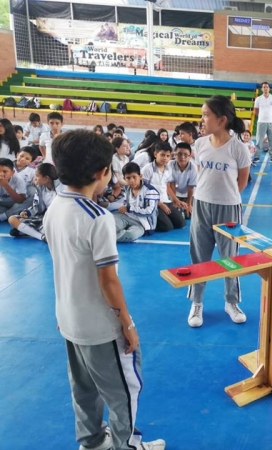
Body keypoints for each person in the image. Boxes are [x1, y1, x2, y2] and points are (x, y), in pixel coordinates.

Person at [42, 130, 165, 450]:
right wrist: (126, 323)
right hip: (100, 327)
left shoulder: (55, 206)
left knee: (83, 389)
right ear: (102, 173)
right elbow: (108, 280)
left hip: (68, 319)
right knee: (126, 391)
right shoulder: (97, 217)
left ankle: (92, 442)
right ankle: (126, 446)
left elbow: (63, 264)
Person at [187, 95, 251, 328]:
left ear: (222, 120)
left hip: (228, 209)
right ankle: (197, 303)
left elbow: (241, 183)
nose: (202, 119)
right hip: (202, 206)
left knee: (230, 259)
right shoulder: (200, 144)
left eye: (206, 115)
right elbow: (201, 176)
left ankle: (231, 302)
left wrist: (225, 197)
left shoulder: (239, 148)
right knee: (199, 257)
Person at [8, 163, 58, 241]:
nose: (34, 178)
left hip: (56, 219)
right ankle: (42, 237)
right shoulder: (40, 187)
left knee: (52, 227)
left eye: (37, 176)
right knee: (12, 219)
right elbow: (37, 206)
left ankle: (26, 230)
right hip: (44, 217)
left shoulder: (62, 189)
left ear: (46, 178)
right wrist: (27, 212)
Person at [141, 142, 185, 232]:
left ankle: (160, 216)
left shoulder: (168, 169)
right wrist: (160, 204)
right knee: (166, 227)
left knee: (180, 223)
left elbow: (167, 187)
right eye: (162, 155)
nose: (165, 158)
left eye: (168, 156)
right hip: (152, 203)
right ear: (155, 154)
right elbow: (143, 189)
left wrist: (176, 200)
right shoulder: (148, 169)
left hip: (165, 201)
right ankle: (147, 219)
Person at [114, 162, 160, 243]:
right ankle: (109, 234)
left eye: (134, 177)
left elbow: (150, 211)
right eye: (128, 178)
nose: (131, 180)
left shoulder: (150, 190)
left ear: (140, 176)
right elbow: (126, 203)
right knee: (110, 225)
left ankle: (109, 237)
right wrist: (124, 208)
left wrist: (129, 209)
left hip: (141, 224)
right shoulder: (127, 188)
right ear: (124, 178)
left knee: (131, 235)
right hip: (126, 217)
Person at [168, 142, 197, 218]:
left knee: (189, 215)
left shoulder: (193, 168)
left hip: (188, 194)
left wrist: (189, 204)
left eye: (185, 155)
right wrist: (175, 200)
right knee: (173, 213)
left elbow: (191, 187)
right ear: (175, 154)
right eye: (179, 154)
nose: (182, 157)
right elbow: (171, 185)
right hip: (174, 193)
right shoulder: (170, 164)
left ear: (190, 156)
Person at [254, 81, 272, 163]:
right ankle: (257, 156)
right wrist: (261, 117)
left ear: (269, 88)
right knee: (259, 140)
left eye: (267, 87)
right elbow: (256, 110)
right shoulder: (258, 99)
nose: (265, 88)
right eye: (264, 87)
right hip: (261, 122)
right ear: (262, 89)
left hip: (271, 122)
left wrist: (271, 117)